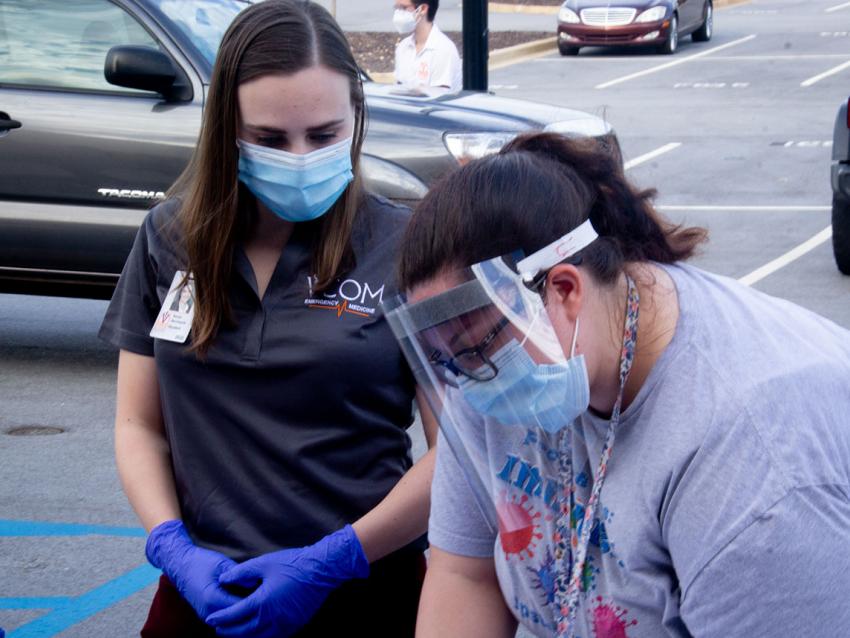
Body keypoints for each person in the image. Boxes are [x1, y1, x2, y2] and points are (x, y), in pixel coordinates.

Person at [385, 132, 850, 637]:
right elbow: (465, 574)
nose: (468, 380)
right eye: (444, 358)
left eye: (473, 350)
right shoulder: (498, 356)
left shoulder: (753, 459)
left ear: (563, 290)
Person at [98, 2, 437, 636]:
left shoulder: (413, 245)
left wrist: (334, 561)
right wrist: (173, 549)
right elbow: (138, 424)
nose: (302, 158)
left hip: (369, 592)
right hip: (207, 596)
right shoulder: (166, 238)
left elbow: (458, 453)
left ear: (357, 119)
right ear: (225, 127)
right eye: (271, 139)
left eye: (326, 133)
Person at [392, 0, 462, 92]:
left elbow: (439, 97)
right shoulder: (403, 47)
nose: (398, 13)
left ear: (423, 9)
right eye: (397, 8)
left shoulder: (443, 50)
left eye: (403, 8)